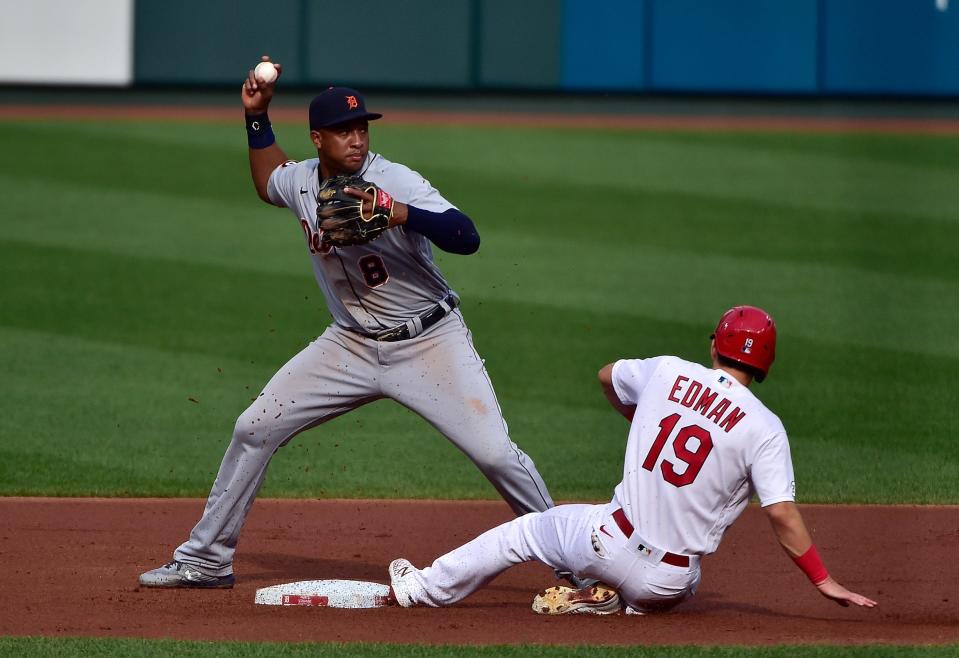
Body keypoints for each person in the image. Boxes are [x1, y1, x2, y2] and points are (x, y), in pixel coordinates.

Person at [139, 57, 557, 588]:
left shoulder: (393, 178)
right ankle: (205, 558)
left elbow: (467, 236)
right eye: (342, 131)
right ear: (317, 139)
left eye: (361, 128)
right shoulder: (303, 183)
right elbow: (269, 178)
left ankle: (584, 567)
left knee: (497, 455)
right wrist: (257, 117)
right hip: (350, 346)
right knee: (254, 427)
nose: (356, 139)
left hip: (429, 340)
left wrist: (402, 212)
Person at [387, 306, 878, 615]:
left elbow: (607, 375)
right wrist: (823, 580)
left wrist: (640, 417)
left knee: (528, 531)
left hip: (605, 542)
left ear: (714, 344)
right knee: (691, 575)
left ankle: (422, 590)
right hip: (667, 584)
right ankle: (619, 602)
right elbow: (780, 512)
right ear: (766, 363)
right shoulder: (766, 427)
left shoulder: (668, 372)